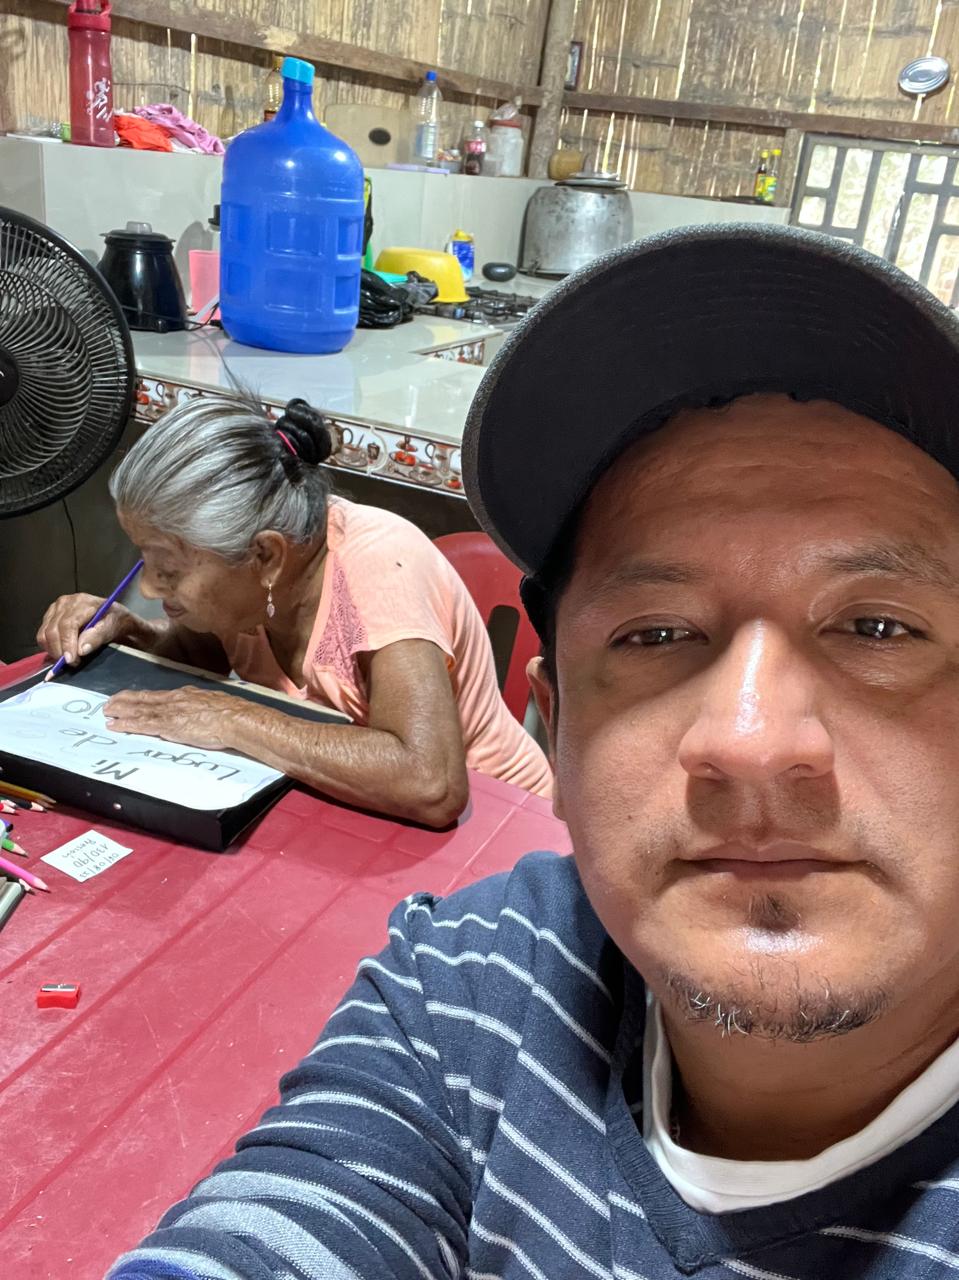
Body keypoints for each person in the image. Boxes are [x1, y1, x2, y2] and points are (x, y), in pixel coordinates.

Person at [107, 224, 959, 1279]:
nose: (749, 743)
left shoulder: (374, 571)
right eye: (655, 634)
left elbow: (427, 774)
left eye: (876, 627)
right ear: (557, 726)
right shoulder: (474, 985)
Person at [38, 394, 551, 827]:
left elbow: (430, 783)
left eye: (169, 569)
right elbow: (200, 660)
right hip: (361, 818)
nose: (149, 587)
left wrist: (235, 718)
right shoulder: (250, 582)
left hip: (499, 825)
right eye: (144, 560)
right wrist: (130, 632)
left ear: (265, 556)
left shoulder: (378, 568)